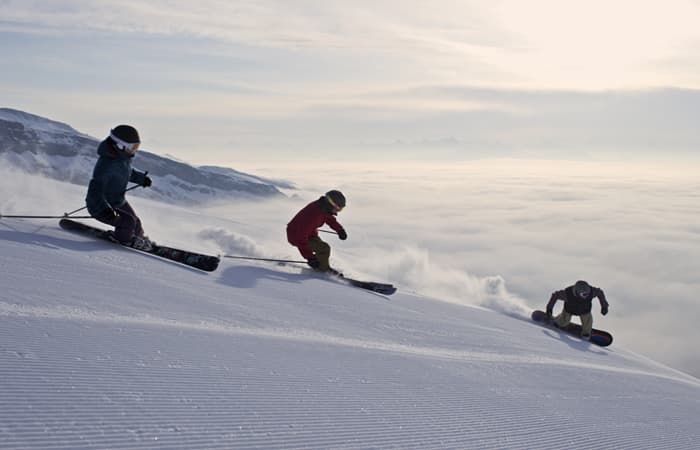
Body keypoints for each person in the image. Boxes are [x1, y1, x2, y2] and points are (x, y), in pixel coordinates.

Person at [85, 124, 154, 250]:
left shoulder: (122, 159)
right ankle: (123, 241)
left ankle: (138, 239)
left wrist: (142, 179)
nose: (135, 150)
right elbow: (95, 189)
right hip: (101, 206)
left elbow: (127, 172)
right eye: (133, 147)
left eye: (136, 147)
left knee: (136, 223)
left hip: (118, 200)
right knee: (128, 223)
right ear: (120, 145)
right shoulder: (106, 165)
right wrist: (104, 209)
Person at [287, 190, 348, 273]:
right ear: (330, 203)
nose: (337, 211)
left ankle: (322, 267)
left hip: (309, 234)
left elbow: (330, 219)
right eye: (338, 208)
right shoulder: (313, 215)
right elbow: (300, 238)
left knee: (323, 249)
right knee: (324, 248)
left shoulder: (323, 207)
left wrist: (340, 230)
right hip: (295, 235)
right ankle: (322, 270)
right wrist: (310, 258)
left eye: (340, 209)